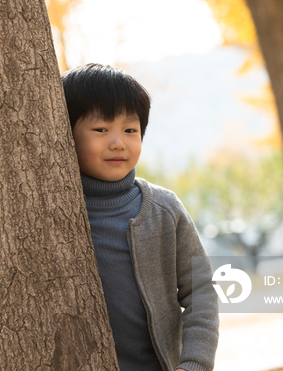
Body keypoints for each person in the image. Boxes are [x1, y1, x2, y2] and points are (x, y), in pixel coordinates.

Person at [60, 63, 219, 371]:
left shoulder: (163, 209)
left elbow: (201, 293)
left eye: (130, 130)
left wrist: (194, 363)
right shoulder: (50, 211)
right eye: (101, 129)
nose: (118, 142)